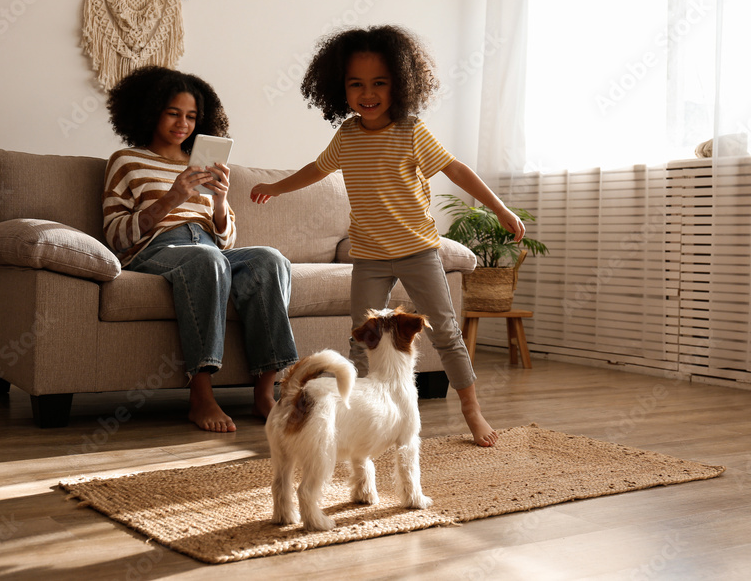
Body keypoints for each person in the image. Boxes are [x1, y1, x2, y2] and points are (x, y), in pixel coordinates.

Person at [250, 25, 525, 447]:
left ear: (401, 83)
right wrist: (277, 187)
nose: (368, 93)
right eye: (356, 84)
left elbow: (456, 169)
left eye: (380, 82)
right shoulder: (347, 135)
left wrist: (500, 208)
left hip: (418, 251)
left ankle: (471, 407)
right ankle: (363, 415)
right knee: (363, 337)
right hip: (370, 257)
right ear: (339, 88)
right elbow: (316, 169)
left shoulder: (411, 131)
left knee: (446, 331)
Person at [103, 65, 299, 433]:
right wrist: (172, 198)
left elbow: (226, 243)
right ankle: (201, 395)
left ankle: (265, 392)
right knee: (207, 259)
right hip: (157, 250)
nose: (183, 123)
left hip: (208, 248)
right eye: (173, 113)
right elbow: (116, 237)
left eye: (192, 116)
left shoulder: (202, 167)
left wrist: (221, 202)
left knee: (269, 260)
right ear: (151, 112)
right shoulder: (126, 161)